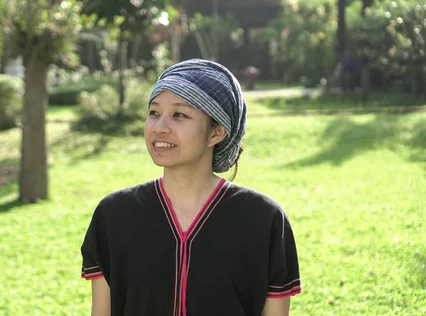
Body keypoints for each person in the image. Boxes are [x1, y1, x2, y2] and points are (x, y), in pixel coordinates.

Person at [80, 59, 302, 316]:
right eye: (154, 113)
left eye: (179, 115)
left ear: (217, 133)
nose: (159, 128)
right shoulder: (114, 215)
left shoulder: (264, 219)